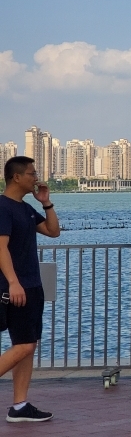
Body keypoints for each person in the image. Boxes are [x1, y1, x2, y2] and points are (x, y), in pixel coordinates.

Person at [1, 156, 61, 423]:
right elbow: (0, 248)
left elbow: (53, 231)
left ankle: (20, 405)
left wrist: (46, 202)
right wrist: (13, 282)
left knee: (27, 344)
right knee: (24, 346)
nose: (36, 178)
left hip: (32, 286)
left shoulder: (25, 209)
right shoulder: (3, 208)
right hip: (15, 288)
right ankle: (19, 405)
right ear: (16, 177)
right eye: (31, 174)